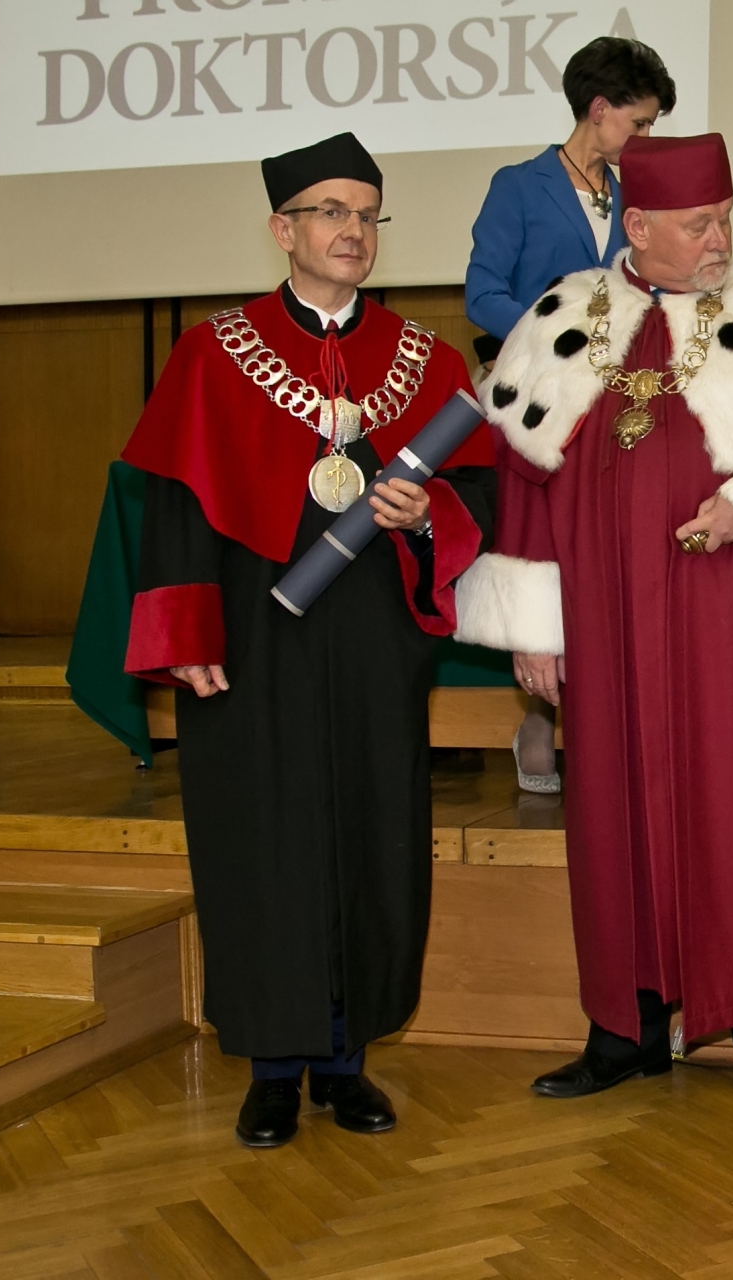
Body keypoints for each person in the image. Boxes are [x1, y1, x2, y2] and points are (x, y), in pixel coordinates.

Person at [454, 132, 733, 1113]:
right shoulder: (562, 318)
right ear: (636, 226)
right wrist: (533, 624)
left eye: (723, 219)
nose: (720, 240)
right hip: (604, 624)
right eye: (697, 225)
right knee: (612, 811)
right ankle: (625, 1029)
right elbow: (523, 473)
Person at [120, 132, 497, 1149]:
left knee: (372, 827)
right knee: (262, 834)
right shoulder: (213, 352)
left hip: (374, 632)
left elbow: (480, 494)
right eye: (331, 212)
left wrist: (427, 514)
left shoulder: (424, 359)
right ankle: (271, 1068)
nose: (353, 231)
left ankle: (346, 1059)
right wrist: (186, 629)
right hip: (252, 634)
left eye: (367, 214)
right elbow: (175, 506)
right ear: (282, 229)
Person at [465, 35, 676, 794]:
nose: (645, 138)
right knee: (545, 548)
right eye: (639, 123)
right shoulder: (518, 186)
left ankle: (612, 715)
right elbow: (481, 293)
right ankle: (538, 713)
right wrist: (555, 335)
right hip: (539, 400)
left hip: (622, 403)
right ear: (599, 109)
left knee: (609, 551)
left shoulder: (638, 197)